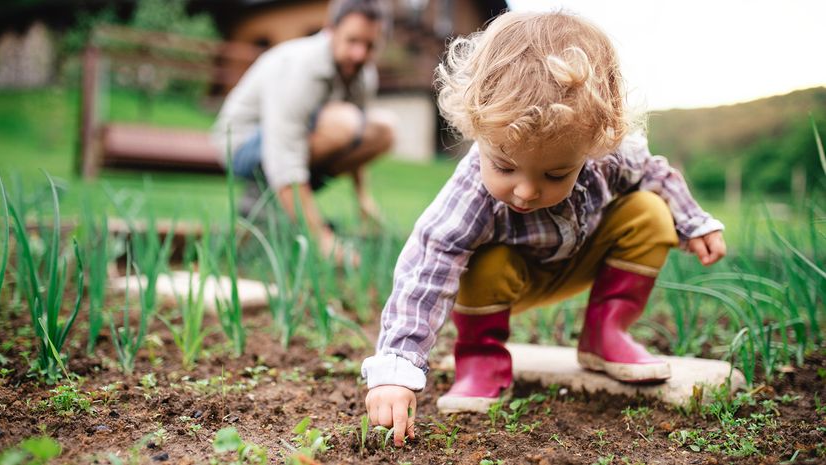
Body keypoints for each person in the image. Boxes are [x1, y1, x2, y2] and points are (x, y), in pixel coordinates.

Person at [361, 10, 727, 446]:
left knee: (649, 210)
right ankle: (480, 358)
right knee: (477, 259)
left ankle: (605, 334)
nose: (526, 190)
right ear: (477, 131)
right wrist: (397, 369)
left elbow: (656, 173)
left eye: (556, 174)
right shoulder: (471, 192)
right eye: (504, 166)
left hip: (580, 258)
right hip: (505, 283)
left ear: (593, 145)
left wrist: (693, 222)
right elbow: (427, 264)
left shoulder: (606, 155)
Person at [212, 0, 394, 263]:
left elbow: (358, 138)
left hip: (295, 142)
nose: (359, 54)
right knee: (344, 121)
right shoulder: (300, 67)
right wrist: (321, 238)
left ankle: (281, 207)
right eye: (352, 41)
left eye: (370, 46)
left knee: (384, 131)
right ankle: (266, 203)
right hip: (242, 145)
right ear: (330, 30)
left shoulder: (364, 73)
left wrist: (363, 199)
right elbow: (284, 153)